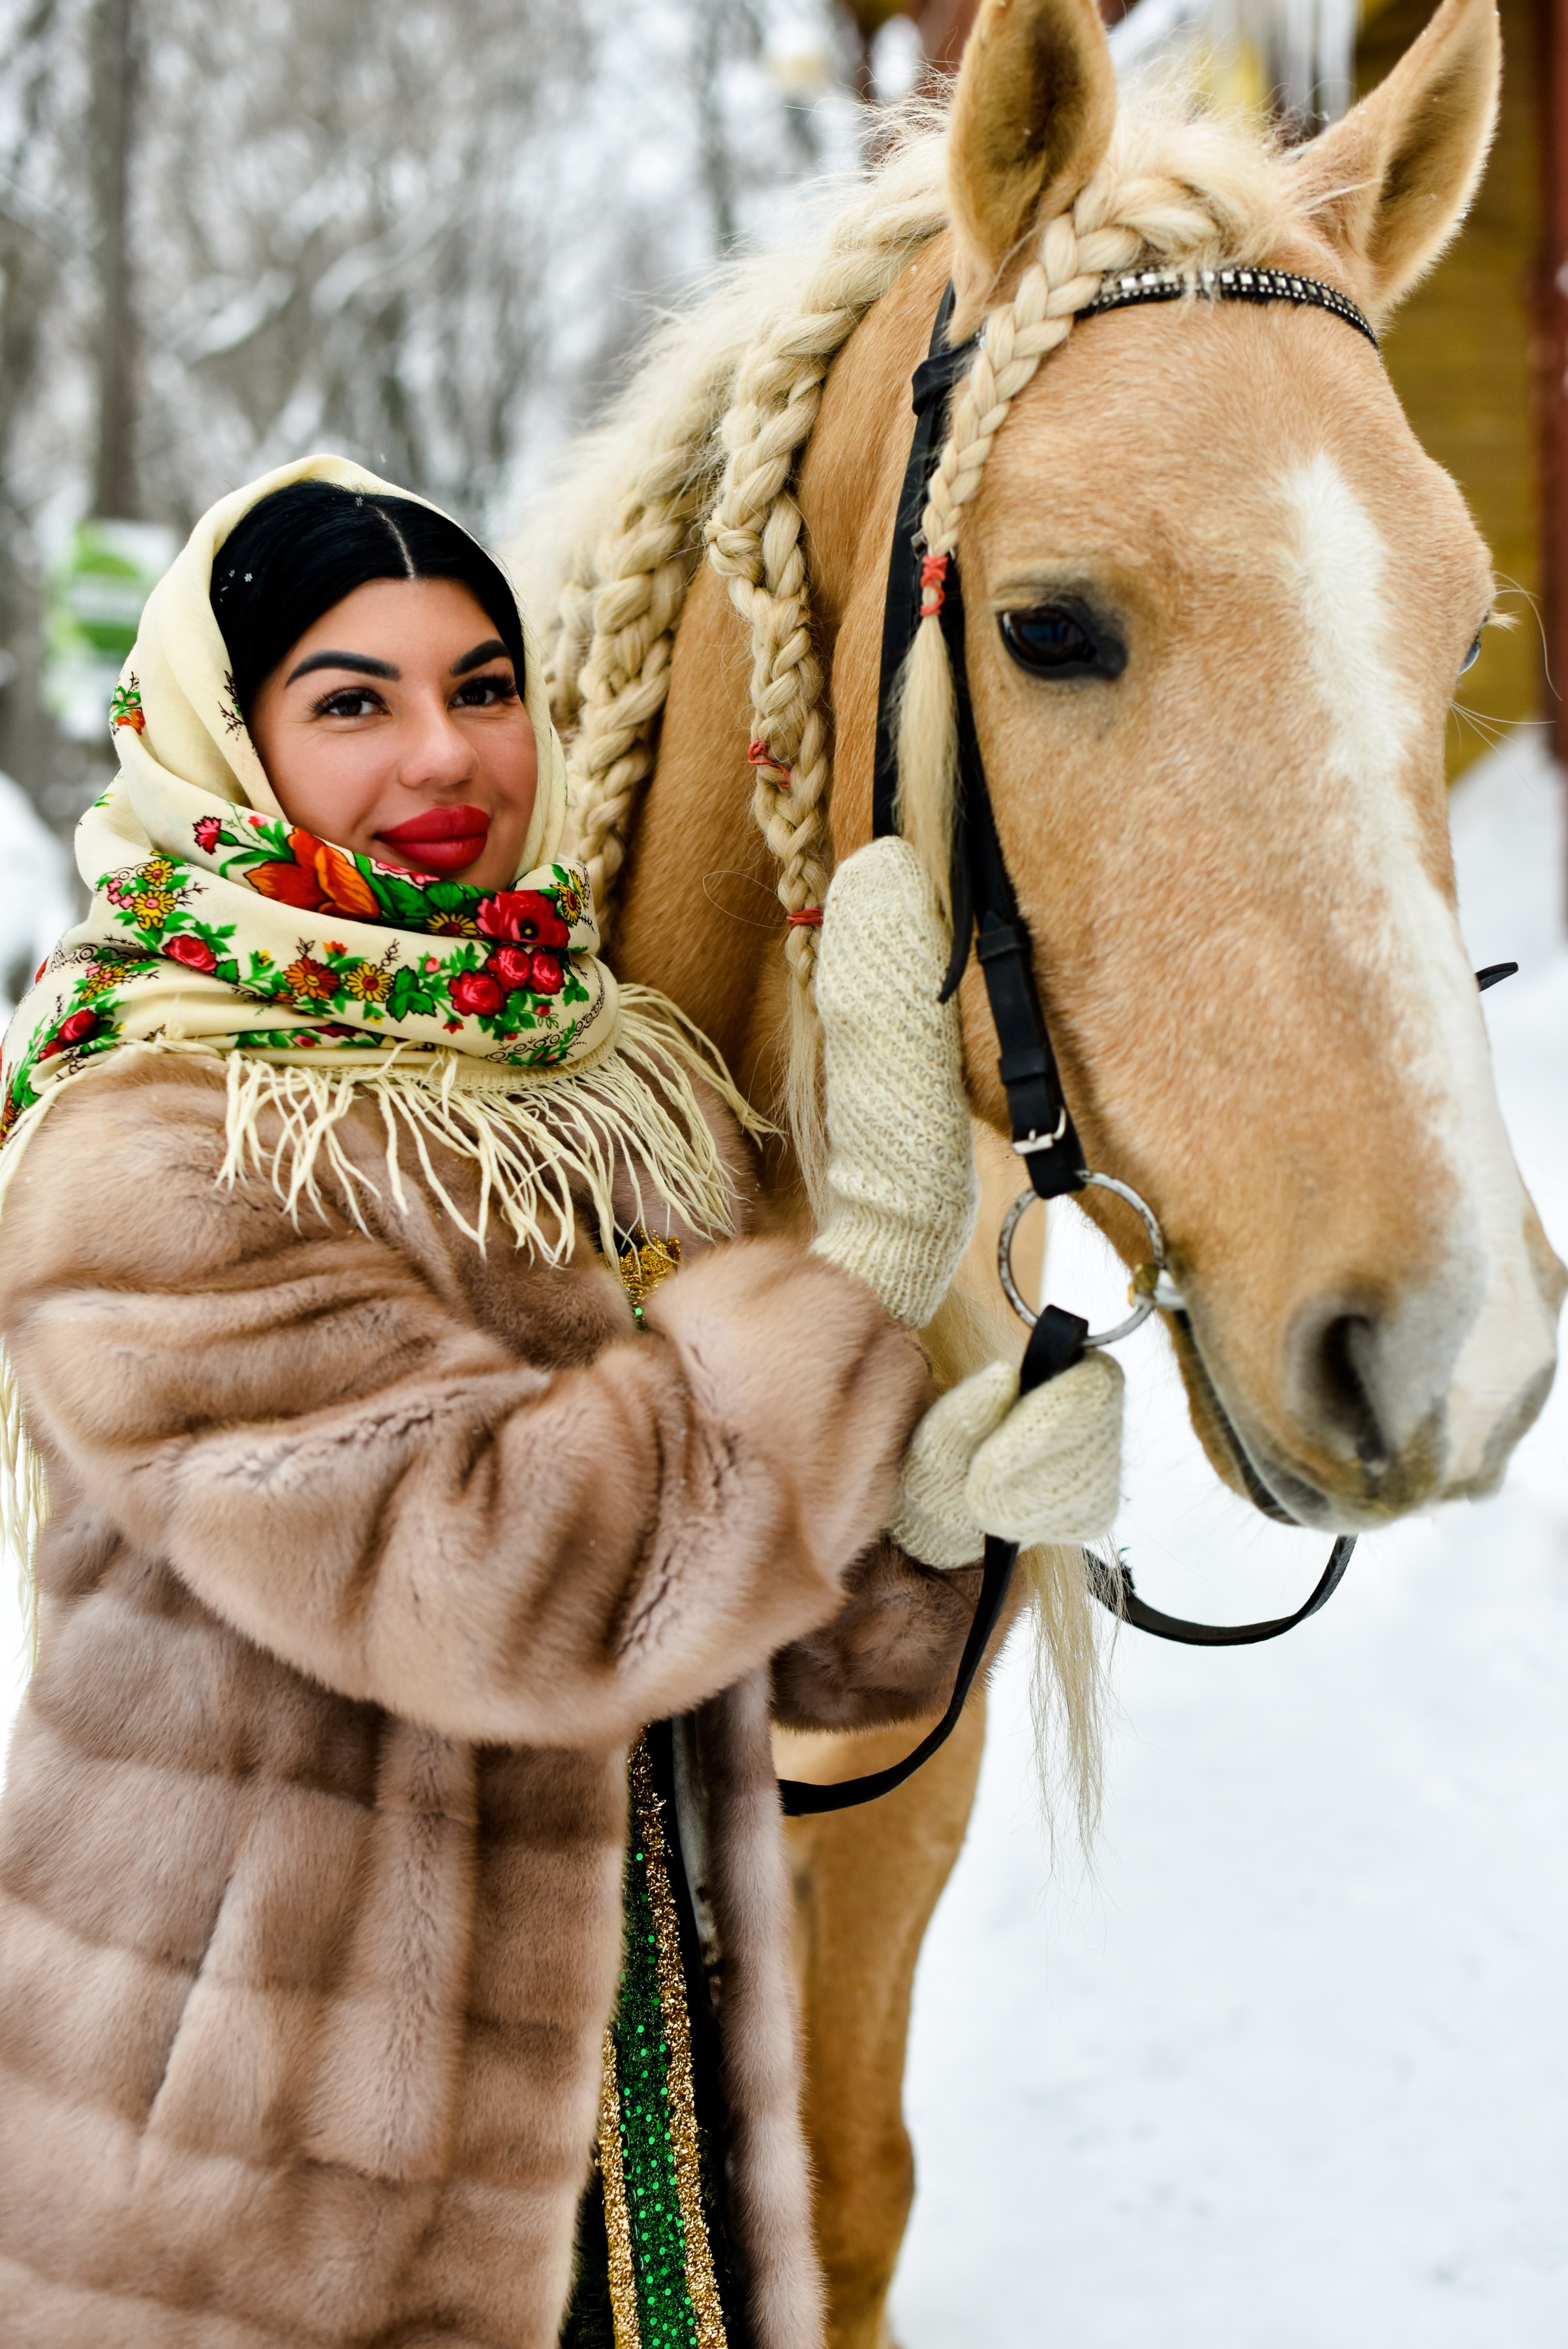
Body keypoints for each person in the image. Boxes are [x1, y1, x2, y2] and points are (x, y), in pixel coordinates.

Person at [0, 455, 1121, 2348]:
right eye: (352, 702)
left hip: (634, 2130)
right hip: (262, 2185)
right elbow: (495, 1580)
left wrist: (934, 1524)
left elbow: (726, 1630)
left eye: (486, 686)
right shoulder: (162, 1140)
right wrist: (856, 1282)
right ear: (222, 738)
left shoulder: (595, 1078)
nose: (446, 758)